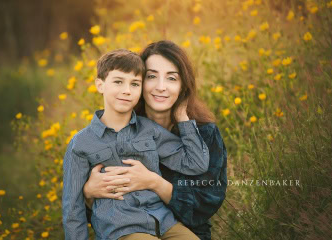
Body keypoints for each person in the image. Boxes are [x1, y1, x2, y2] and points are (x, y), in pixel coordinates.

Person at [83, 41, 228, 240]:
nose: (161, 87)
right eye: (151, 76)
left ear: (183, 85)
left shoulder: (205, 134)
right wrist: (88, 193)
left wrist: (154, 182)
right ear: (138, 82)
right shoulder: (116, 130)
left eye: (171, 78)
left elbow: (206, 203)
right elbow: (99, 216)